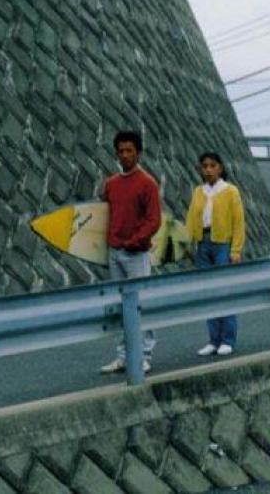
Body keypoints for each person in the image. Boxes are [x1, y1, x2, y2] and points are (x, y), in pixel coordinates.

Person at [100, 130, 162, 374]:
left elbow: (154, 220)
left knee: (140, 305)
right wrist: (112, 243)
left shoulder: (148, 183)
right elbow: (104, 214)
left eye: (129, 150)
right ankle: (124, 356)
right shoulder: (111, 184)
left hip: (136, 254)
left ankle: (144, 355)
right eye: (121, 151)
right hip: (115, 252)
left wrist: (135, 241)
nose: (125, 155)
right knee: (119, 307)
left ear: (138, 153)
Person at [185, 152, 246, 356]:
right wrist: (188, 244)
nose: (208, 169)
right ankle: (213, 340)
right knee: (208, 292)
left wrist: (235, 250)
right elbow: (191, 219)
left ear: (220, 168)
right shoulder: (198, 191)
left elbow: (238, 222)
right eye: (205, 166)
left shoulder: (230, 191)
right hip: (203, 243)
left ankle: (227, 339)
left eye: (213, 165)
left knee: (224, 290)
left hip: (222, 244)